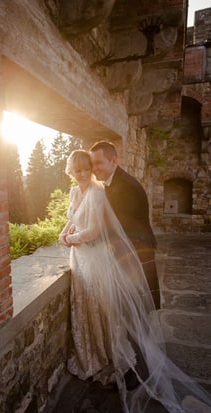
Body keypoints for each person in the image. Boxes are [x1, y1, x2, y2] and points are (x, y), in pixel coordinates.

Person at [59, 150, 211, 412]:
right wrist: (65, 233)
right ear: (70, 170)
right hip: (92, 258)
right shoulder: (90, 189)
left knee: (130, 315)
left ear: (112, 160)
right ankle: (119, 357)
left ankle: (139, 367)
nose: (90, 171)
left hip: (132, 255)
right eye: (83, 167)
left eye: (94, 165)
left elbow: (106, 229)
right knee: (113, 312)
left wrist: (73, 240)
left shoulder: (118, 188)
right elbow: (75, 220)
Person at [89, 140, 160, 310]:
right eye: (92, 164)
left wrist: (86, 237)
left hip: (137, 251)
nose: (94, 168)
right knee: (134, 309)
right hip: (130, 250)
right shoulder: (113, 182)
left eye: (98, 163)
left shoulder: (125, 187)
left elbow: (117, 226)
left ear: (114, 161)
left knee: (137, 308)